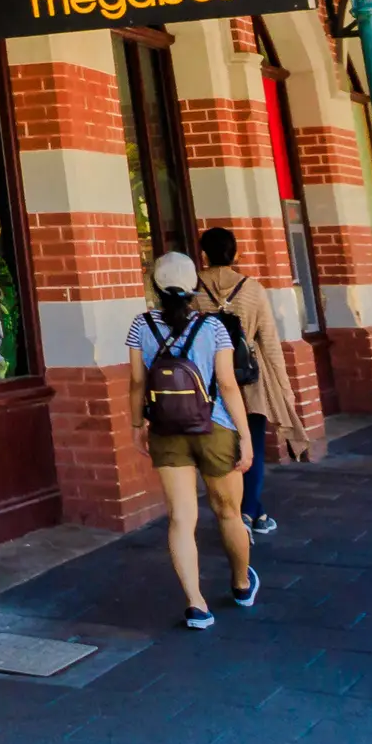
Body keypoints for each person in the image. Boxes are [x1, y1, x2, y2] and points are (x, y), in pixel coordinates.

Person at [127, 249, 259, 629]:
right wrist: (245, 437)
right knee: (229, 512)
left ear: (154, 285)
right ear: (193, 286)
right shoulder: (213, 327)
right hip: (215, 428)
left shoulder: (141, 326)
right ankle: (240, 582)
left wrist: (137, 425)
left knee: (181, 518)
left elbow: (137, 382)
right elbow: (230, 386)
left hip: (167, 430)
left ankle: (196, 603)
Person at [192, 226, 317, 536]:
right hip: (251, 381)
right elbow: (270, 343)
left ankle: (252, 512)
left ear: (204, 253)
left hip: (210, 381)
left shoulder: (193, 289)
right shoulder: (253, 289)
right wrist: (285, 389)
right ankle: (248, 515)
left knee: (222, 448)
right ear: (235, 253)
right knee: (254, 448)